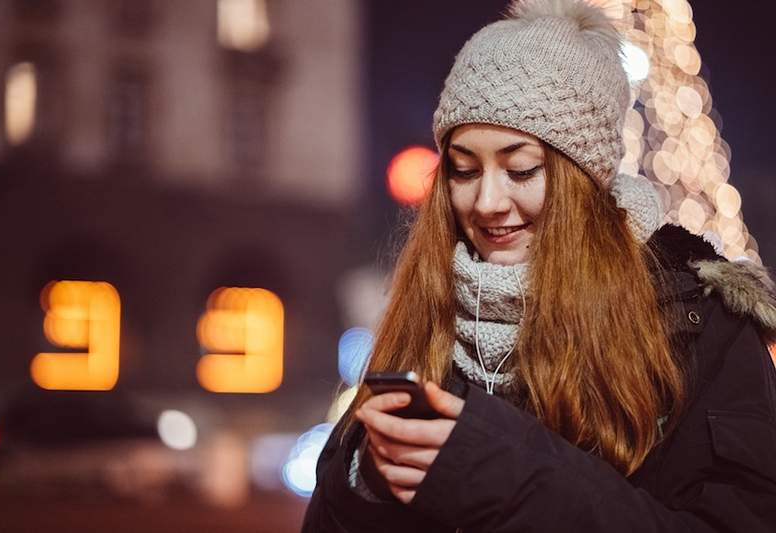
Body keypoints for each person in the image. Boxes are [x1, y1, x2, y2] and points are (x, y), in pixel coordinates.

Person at [302, 0, 776, 531]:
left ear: (583, 177)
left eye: (521, 169)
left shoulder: (702, 324)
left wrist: (508, 472)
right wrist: (363, 484)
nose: (486, 203)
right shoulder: (427, 305)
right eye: (462, 170)